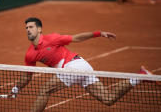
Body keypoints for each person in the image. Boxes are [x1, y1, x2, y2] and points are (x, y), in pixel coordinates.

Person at [9, 17, 152, 112]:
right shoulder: (30, 54)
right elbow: (27, 76)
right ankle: (138, 77)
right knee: (108, 99)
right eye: (26, 28)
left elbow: (76, 38)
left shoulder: (52, 38)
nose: (28, 30)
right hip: (79, 69)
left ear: (39, 29)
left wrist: (98, 33)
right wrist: (16, 88)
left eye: (31, 27)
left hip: (75, 65)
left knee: (45, 89)